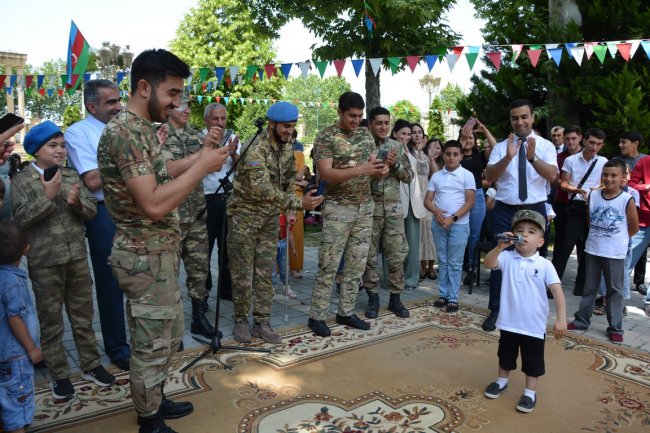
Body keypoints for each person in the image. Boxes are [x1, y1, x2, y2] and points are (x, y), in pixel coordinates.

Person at [97, 49, 229, 433]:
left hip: (158, 255)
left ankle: (155, 396)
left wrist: (199, 157)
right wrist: (202, 167)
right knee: (151, 344)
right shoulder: (125, 133)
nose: (177, 103)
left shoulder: (141, 130)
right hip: (142, 256)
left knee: (167, 338)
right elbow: (153, 203)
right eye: (172, 93)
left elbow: (162, 171)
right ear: (143, 87)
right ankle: (148, 420)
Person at [12, 121, 116, 401]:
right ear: (36, 150)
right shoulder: (22, 180)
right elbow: (20, 219)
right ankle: (59, 374)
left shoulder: (71, 175)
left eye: (62, 145)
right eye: (53, 146)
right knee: (51, 320)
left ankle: (91, 365)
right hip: (45, 262)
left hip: (76, 259)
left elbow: (92, 210)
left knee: (83, 316)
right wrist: (47, 197)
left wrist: (77, 203)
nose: (60, 151)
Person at [228, 101, 323, 344]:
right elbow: (262, 190)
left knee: (264, 271)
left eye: (292, 127)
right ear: (271, 124)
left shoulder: (287, 145)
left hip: (269, 218)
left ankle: (261, 321)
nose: (289, 132)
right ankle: (241, 320)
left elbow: (288, 178)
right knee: (242, 273)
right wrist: (297, 205)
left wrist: (288, 208)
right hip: (244, 218)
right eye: (285, 127)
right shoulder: (255, 149)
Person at [65, 79, 130, 371]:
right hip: (104, 213)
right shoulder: (78, 132)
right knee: (111, 283)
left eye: (118, 100)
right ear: (91, 106)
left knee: (145, 276)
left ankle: (150, 339)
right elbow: (92, 181)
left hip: (135, 206)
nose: (118, 107)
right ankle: (118, 347)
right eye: (111, 102)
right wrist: (131, 168)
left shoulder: (126, 126)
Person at [308, 91, 385, 337]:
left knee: (356, 265)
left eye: (360, 116)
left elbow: (373, 164)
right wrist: (359, 169)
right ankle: (317, 316)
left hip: (365, 208)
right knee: (329, 264)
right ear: (340, 112)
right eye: (352, 116)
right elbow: (327, 175)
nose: (356, 121)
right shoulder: (326, 136)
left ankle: (346, 311)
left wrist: (382, 167)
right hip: (338, 208)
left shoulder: (365, 133)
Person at [482, 99, 558, 332]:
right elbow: (490, 176)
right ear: (511, 120)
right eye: (515, 117)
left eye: (524, 116)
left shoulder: (545, 145)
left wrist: (533, 158)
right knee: (500, 255)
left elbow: (553, 176)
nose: (520, 121)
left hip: (534, 208)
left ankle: (531, 309)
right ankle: (496, 309)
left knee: (534, 259)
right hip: (505, 209)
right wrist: (508, 157)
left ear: (532, 118)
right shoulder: (501, 146)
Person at [483, 210, 566, 413]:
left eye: (531, 231)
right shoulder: (507, 258)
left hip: (533, 326)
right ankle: (502, 381)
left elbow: (557, 292)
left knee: (533, 362)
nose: (524, 234)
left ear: (540, 241)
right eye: (520, 230)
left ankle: (530, 392)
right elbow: (489, 263)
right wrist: (500, 247)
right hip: (509, 322)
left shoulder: (545, 265)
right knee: (505, 356)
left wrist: (561, 319)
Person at [160, 96, 215, 339]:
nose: (187, 110)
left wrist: (216, 154)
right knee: (169, 275)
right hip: (171, 218)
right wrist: (202, 157)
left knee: (199, 270)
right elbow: (169, 169)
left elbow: (208, 168)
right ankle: (172, 328)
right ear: (170, 108)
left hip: (197, 214)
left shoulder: (195, 136)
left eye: (190, 105)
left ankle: (198, 318)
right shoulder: (158, 134)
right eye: (181, 105)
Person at [567, 159, 638, 343]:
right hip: (593, 249)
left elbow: (634, 227)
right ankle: (582, 320)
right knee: (589, 287)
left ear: (623, 177)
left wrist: (618, 239)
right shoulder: (594, 195)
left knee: (614, 290)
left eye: (614, 175)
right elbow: (590, 221)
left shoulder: (626, 199)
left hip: (615, 253)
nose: (609, 178)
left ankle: (615, 327)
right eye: (605, 174)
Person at [361, 107, 413, 320]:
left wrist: (395, 164)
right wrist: (373, 169)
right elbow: (356, 178)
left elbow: (409, 177)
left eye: (386, 123)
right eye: (379, 123)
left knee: (396, 255)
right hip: (370, 210)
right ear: (371, 125)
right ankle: (373, 298)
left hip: (393, 211)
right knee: (369, 257)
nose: (383, 127)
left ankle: (395, 299)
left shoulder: (397, 147)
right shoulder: (363, 147)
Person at [551, 128, 607, 296]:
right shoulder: (571, 160)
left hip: (594, 208)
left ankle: (581, 286)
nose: (594, 147)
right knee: (565, 245)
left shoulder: (604, 161)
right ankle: (552, 285)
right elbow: (563, 184)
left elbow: (605, 183)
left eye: (598, 144)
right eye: (591, 143)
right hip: (574, 206)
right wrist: (577, 190)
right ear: (585, 141)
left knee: (587, 248)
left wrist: (597, 189)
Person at [0, 221, 42, 433]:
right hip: (16, 354)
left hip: (3, 351)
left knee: (6, 393)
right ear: (26, 249)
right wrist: (31, 348)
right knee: (18, 397)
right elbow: (15, 318)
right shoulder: (14, 283)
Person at [425, 140, 475, 312]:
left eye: (455, 154)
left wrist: (452, 218)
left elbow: (470, 202)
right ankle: (443, 294)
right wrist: (437, 212)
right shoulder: (437, 176)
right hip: (439, 224)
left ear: (461, 156)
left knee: (455, 262)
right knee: (443, 261)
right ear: (443, 155)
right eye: (448, 154)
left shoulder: (467, 175)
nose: (451, 158)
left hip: (458, 225)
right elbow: (427, 200)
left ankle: (453, 297)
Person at [202, 103, 240, 301]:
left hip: (228, 197)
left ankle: (226, 289)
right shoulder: (199, 138)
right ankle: (203, 291)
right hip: (206, 198)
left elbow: (240, 168)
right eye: (215, 119)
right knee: (204, 248)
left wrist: (233, 153)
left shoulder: (233, 137)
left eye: (223, 119)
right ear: (206, 120)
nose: (219, 123)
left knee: (228, 247)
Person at [458, 118, 496, 285]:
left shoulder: (480, 156)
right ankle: (458, 266)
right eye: (466, 138)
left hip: (478, 195)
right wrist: (462, 138)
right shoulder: (456, 155)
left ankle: (471, 268)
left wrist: (484, 129)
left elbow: (495, 147)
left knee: (474, 235)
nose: (468, 140)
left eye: (471, 138)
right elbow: (452, 156)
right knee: (458, 234)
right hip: (457, 197)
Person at [393, 120, 427, 290]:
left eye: (409, 134)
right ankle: (393, 279)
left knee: (412, 246)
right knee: (394, 246)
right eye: (403, 134)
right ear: (395, 134)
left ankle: (411, 279)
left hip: (414, 204)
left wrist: (419, 152)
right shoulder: (390, 151)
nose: (406, 137)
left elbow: (424, 171)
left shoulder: (414, 153)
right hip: (395, 204)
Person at [615, 131, 647, 295]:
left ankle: (640, 282)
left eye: (624, 142)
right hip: (633, 213)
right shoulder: (617, 161)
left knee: (639, 255)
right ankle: (617, 294)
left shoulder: (643, 159)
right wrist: (645, 187)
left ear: (635, 143)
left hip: (644, 213)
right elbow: (633, 185)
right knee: (629, 254)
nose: (620, 145)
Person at [420, 137, 443, 279]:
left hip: (437, 202)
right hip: (422, 199)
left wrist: (432, 159)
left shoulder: (443, 163)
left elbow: (435, 176)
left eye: (438, 147)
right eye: (432, 146)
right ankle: (423, 267)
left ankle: (432, 267)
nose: (435, 149)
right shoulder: (422, 159)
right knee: (423, 234)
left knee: (433, 235)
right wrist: (428, 158)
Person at [290, 135, 307, 278]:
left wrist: (293, 180)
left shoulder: (299, 154)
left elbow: (300, 176)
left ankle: (295, 266)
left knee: (296, 233)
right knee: (279, 232)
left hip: (297, 197)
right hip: (280, 196)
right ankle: (278, 267)